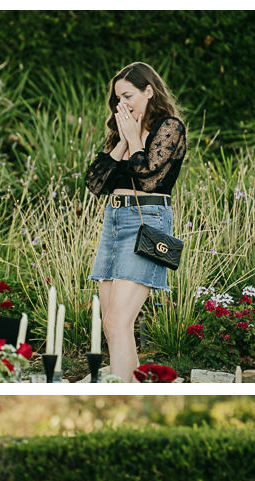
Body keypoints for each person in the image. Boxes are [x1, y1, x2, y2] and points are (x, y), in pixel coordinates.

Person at [84, 63, 187, 383]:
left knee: (116, 322)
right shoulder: (121, 134)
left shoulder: (170, 127)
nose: (122, 105)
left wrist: (136, 139)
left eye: (128, 95)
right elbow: (95, 184)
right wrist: (122, 142)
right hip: (113, 222)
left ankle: (119, 390)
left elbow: (149, 181)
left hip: (147, 222)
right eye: (117, 100)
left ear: (149, 91)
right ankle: (124, 386)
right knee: (114, 325)